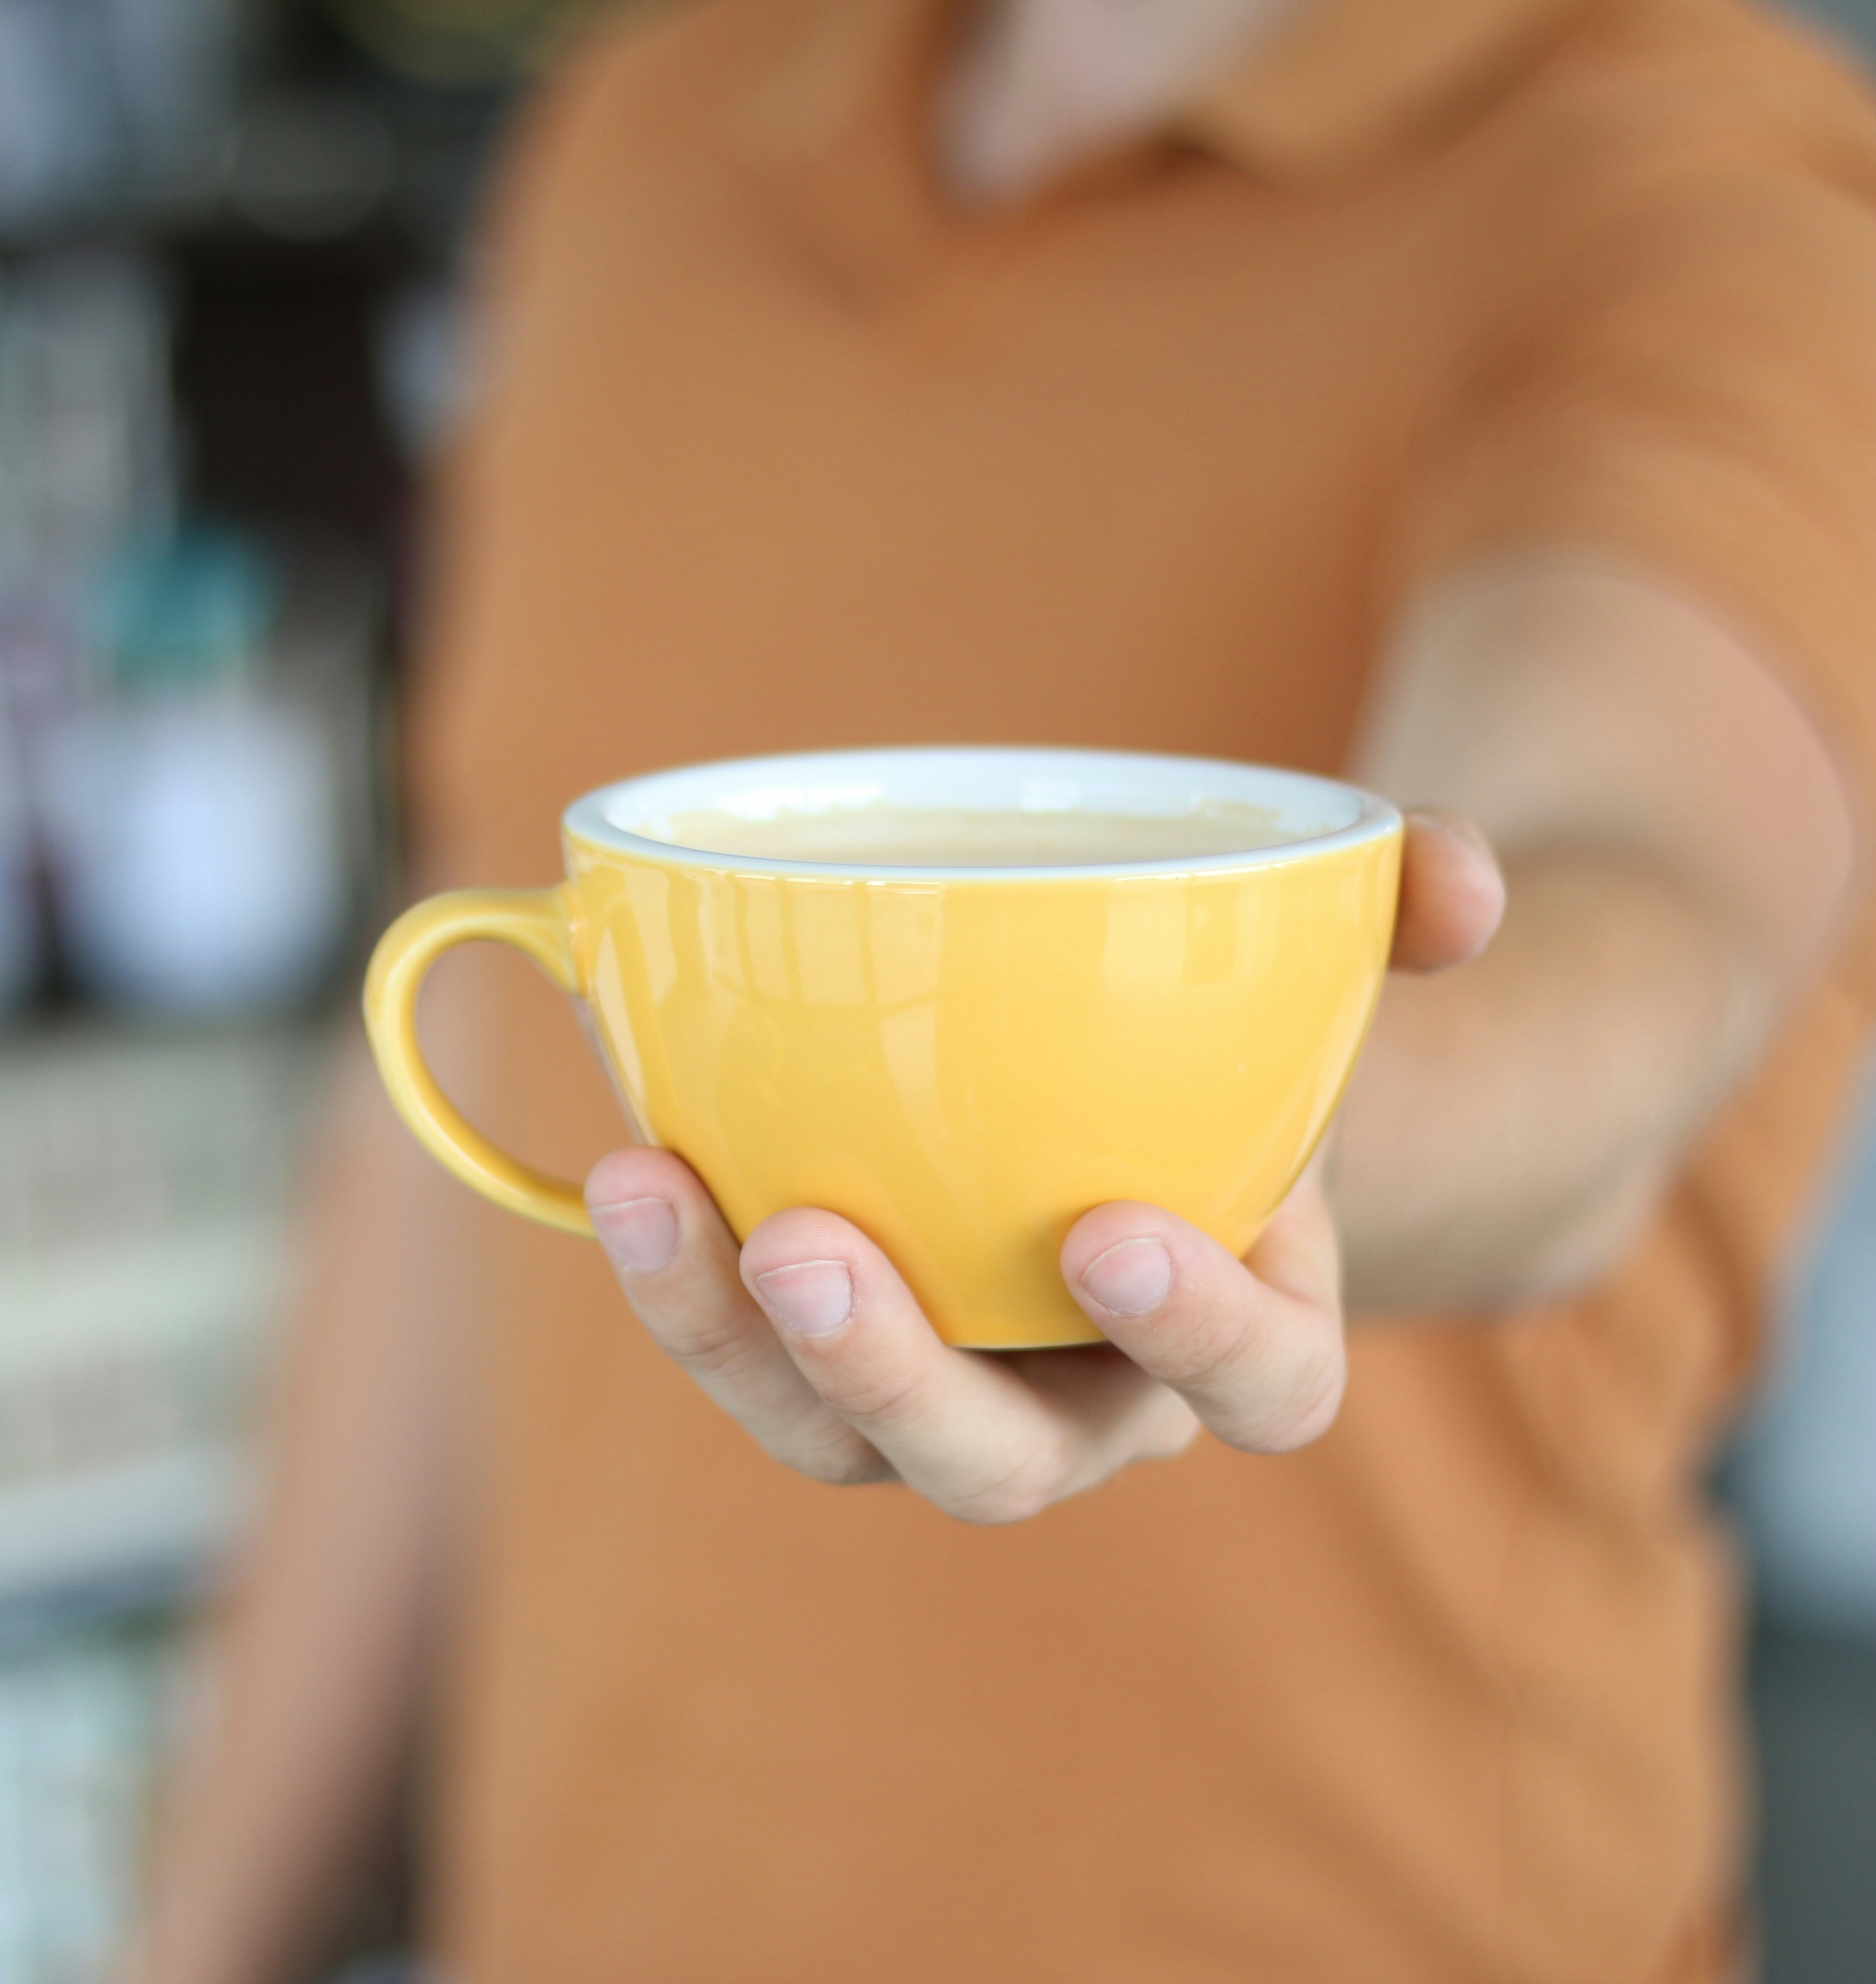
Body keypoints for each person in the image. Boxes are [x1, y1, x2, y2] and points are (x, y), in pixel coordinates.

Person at [129, 0, 1876, 1976]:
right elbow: (479, 1075)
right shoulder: (644, 126)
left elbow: (1622, 939)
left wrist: (1139, 1190)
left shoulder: (1710, 184)